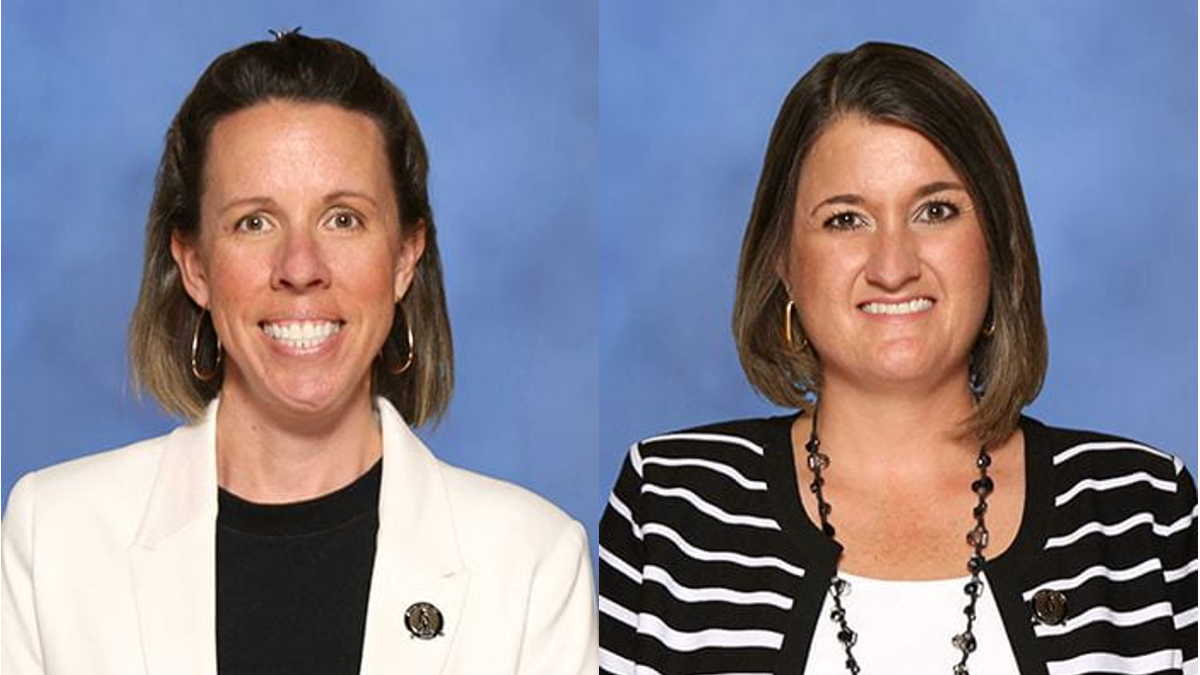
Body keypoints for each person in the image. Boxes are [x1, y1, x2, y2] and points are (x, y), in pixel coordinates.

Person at [2, 32, 597, 675]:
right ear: (195, 266)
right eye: (253, 222)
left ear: (404, 258)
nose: (300, 267)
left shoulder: (531, 562)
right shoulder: (55, 537)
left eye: (343, 218)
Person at [599, 42, 1196, 675]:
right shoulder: (672, 505)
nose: (893, 267)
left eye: (934, 211)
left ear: (997, 243)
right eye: (845, 220)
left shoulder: (1141, 511)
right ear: (783, 262)